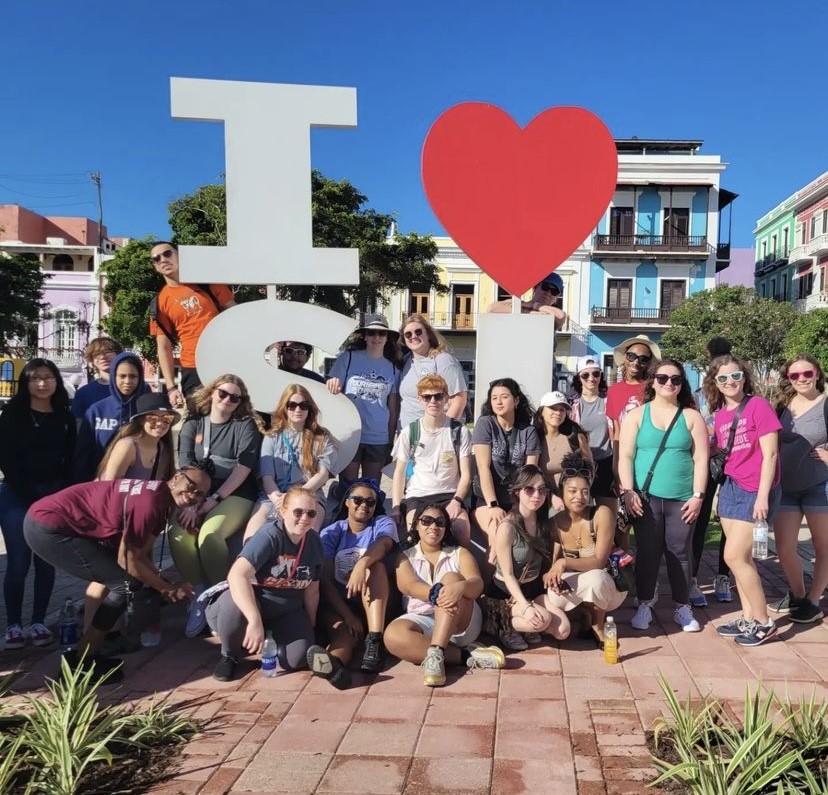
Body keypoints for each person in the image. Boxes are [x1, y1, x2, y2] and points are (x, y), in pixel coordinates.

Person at [23, 467, 211, 680]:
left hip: (55, 522)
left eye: (201, 495)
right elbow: (128, 561)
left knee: (128, 581)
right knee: (124, 584)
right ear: (176, 478)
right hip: (48, 527)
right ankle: (78, 664)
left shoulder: (160, 499)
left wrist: (165, 582)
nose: (193, 496)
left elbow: (137, 556)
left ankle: (87, 654)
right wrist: (167, 589)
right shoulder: (150, 503)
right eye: (191, 487)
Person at [618, 358, 708, 634]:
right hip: (645, 497)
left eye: (676, 379)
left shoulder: (691, 416)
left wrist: (698, 496)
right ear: (652, 381)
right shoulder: (636, 415)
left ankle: (682, 606)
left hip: (682, 498)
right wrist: (627, 491)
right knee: (648, 552)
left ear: (682, 384)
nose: (669, 383)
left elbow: (701, 459)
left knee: (679, 552)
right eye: (662, 378)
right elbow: (626, 456)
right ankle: (645, 602)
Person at [170, 374, 262, 637]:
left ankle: (223, 596)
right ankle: (199, 596)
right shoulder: (193, 424)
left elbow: (242, 469)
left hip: (234, 494)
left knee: (210, 534)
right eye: (223, 393)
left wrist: (214, 500)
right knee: (178, 533)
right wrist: (192, 504)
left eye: (235, 397)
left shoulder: (245, 426)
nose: (227, 400)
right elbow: (187, 468)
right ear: (212, 393)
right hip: (195, 493)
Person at [205, 486, 324, 682]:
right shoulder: (270, 535)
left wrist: (312, 625)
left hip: (286, 609)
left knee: (297, 659)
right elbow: (236, 575)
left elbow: (313, 590)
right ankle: (230, 655)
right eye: (298, 512)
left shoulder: (315, 542)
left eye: (311, 513)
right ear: (283, 511)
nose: (304, 518)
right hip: (252, 602)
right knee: (232, 607)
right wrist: (254, 619)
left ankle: (264, 638)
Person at [704, 355, 781, 646]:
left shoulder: (758, 406)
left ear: (744, 376)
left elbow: (770, 454)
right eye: (722, 378)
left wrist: (763, 496)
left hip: (756, 489)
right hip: (731, 488)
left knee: (733, 556)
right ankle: (748, 617)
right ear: (715, 383)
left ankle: (764, 622)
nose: (730, 382)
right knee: (742, 560)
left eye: (734, 376)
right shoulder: (721, 414)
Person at [384, 503, 505, 687]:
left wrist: (461, 587)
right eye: (427, 521)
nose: (433, 526)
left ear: (446, 528)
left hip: (461, 621)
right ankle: (466, 656)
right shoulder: (406, 557)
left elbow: (477, 583)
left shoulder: (459, 553)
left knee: (451, 578)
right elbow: (408, 586)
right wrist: (436, 594)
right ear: (416, 525)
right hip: (424, 619)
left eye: (440, 522)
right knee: (392, 636)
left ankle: (437, 650)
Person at [0, 359, 76, 650]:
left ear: (56, 381)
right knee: (18, 563)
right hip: (15, 495)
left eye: (48, 377)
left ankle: (38, 620)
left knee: (46, 562)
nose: (42, 383)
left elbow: (68, 461)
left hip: (53, 495)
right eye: (36, 378)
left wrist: (63, 498)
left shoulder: (65, 417)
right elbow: (6, 459)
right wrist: (30, 497)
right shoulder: (12, 414)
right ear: (26, 382)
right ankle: (14, 625)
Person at [307, 480, 397, 687]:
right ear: (347, 502)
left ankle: (375, 641)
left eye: (370, 502)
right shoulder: (331, 532)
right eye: (357, 500)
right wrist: (348, 617)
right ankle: (335, 666)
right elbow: (326, 579)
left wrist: (362, 564)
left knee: (375, 567)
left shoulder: (382, 523)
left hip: (376, 603)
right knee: (343, 634)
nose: (364, 505)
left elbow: (384, 544)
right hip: (341, 603)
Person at [546, 453, 627, 648]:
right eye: (572, 491)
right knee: (553, 594)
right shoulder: (555, 523)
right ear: (562, 492)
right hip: (578, 583)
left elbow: (599, 561)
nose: (579, 497)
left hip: (609, 583)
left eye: (584, 491)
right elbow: (550, 567)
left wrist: (564, 563)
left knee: (595, 578)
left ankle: (597, 624)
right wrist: (552, 575)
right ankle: (583, 613)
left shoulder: (601, 514)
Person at [487, 465, 570, 651]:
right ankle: (501, 625)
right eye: (529, 489)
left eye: (542, 490)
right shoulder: (507, 527)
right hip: (505, 593)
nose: (536, 495)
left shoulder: (544, 521)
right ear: (517, 492)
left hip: (533, 588)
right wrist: (525, 606)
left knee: (563, 630)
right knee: (543, 620)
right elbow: (507, 574)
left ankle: (527, 622)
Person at [770, 354, 827, 624]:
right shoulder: (783, 404)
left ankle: (814, 601)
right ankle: (798, 594)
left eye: (806, 374)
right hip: (787, 487)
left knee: (822, 546)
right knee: (784, 547)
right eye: (795, 376)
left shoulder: (825, 404)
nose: (801, 379)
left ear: (817, 374)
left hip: (819, 485)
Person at [148, 241, 235, 407]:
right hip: (193, 367)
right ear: (155, 267)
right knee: (199, 423)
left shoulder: (208, 282)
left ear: (179, 255)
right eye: (156, 259)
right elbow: (163, 347)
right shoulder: (159, 303)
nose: (163, 260)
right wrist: (171, 387)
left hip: (224, 361)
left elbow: (235, 315)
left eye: (167, 254)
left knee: (233, 419)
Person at [243, 384, 336, 539]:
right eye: (292, 405)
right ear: (284, 408)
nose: (298, 410)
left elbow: (322, 475)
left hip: (309, 494)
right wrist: (279, 501)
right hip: (275, 496)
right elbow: (267, 478)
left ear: (310, 408)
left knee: (307, 535)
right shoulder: (272, 436)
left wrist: (295, 497)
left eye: (303, 405)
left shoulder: (321, 437)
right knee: (251, 538)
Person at [391, 375, 473, 546]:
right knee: (416, 533)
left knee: (462, 529)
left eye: (438, 396)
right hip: (418, 496)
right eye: (427, 397)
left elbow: (466, 475)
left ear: (446, 398)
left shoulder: (459, 431)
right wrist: (396, 505)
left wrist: (457, 502)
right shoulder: (410, 431)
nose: (433, 401)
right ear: (420, 400)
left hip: (450, 495)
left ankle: (462, 570)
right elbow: (399, 472)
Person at [326, 314, 401, 482]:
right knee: (349, 488)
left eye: (381, 334)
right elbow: (333, 388)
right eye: (372, 333)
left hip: (378, 436)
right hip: (351, 434)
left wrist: (390, 441)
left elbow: (393, 408)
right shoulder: (348, 358)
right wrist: (332, 383)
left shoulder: (393, 368)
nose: (376, 337)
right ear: (365, 336)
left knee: (370, 489)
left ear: (387, 338)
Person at [472, 378, 541, 556]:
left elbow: (530, 474)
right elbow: (483, 467)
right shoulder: (485, 424)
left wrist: (519, 507)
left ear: (516, 401)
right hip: (488, 498)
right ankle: (496, 582)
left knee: (515, 536)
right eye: (494, 398)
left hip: (517, 499)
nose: (498, 402)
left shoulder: (528, 432)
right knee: (497, 534)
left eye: (504, 397)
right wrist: (493, 505)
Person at [689, 337, 734, 606]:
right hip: (706, 461)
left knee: (728, 522)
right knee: (700, 521)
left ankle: (722, 576)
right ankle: (694, 578)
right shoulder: (698, 395)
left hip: (733, 464)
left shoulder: (739, 395)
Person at [75, 351, 148, 479]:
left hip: (138, 483)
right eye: (122, 376)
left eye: (133, 376)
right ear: (114, 377)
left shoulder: (147, 410)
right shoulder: (96, 410)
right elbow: (83, 453)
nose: (127, 381)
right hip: (100, 483)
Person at [397, 314, 468, 427]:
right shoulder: (405, 362)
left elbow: (458, 400)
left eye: (418, 332)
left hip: (434, 435)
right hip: (406, 436)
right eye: (408, 334)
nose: (413, 336)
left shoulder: (443, 360)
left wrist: (444, 432)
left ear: (428, 334)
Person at [569, 356, 616, 511]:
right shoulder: (571, 404)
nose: (591, 378)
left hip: (606, 463)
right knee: (581, 514)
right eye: (585, 375)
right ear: (578, 378)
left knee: (608, 514)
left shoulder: (609, 401)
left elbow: (617, 433)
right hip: (581, 464)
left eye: (596, 374)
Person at [533, 390, 591, 511]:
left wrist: (579, 495)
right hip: (540, 501)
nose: (558, 413)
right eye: (553, 408)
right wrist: (550, 496)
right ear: (541, 411)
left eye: (562, 409)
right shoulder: (533, 438)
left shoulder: (575, 437)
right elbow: (530, 473)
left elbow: (589, 467)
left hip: (573, 503)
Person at [607, 334, 662, 452]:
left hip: (649, 452)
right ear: (625, 357)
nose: (636, 362)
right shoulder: (613, 391)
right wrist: (616, 461)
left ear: (649, 363)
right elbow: (617, 430)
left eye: (643, 359)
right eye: (632, 356)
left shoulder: (654, 389)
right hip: (624, 452)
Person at [486, 272, 567, 330]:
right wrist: (529, 310)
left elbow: (561, 316)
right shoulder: (519, 303)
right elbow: (491, 308)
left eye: (554, 291)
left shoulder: (553, 314)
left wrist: (534, 306)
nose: (548, 293)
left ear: (556, 297)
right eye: (545, 287)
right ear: (536, 287)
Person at [71, 337, 124, 419]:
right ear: (92, 360)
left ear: (118, 354)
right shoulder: (83, 393)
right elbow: (78, 425)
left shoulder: (135, 387)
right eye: (96, 354)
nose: (102, 357)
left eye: (107, 352)